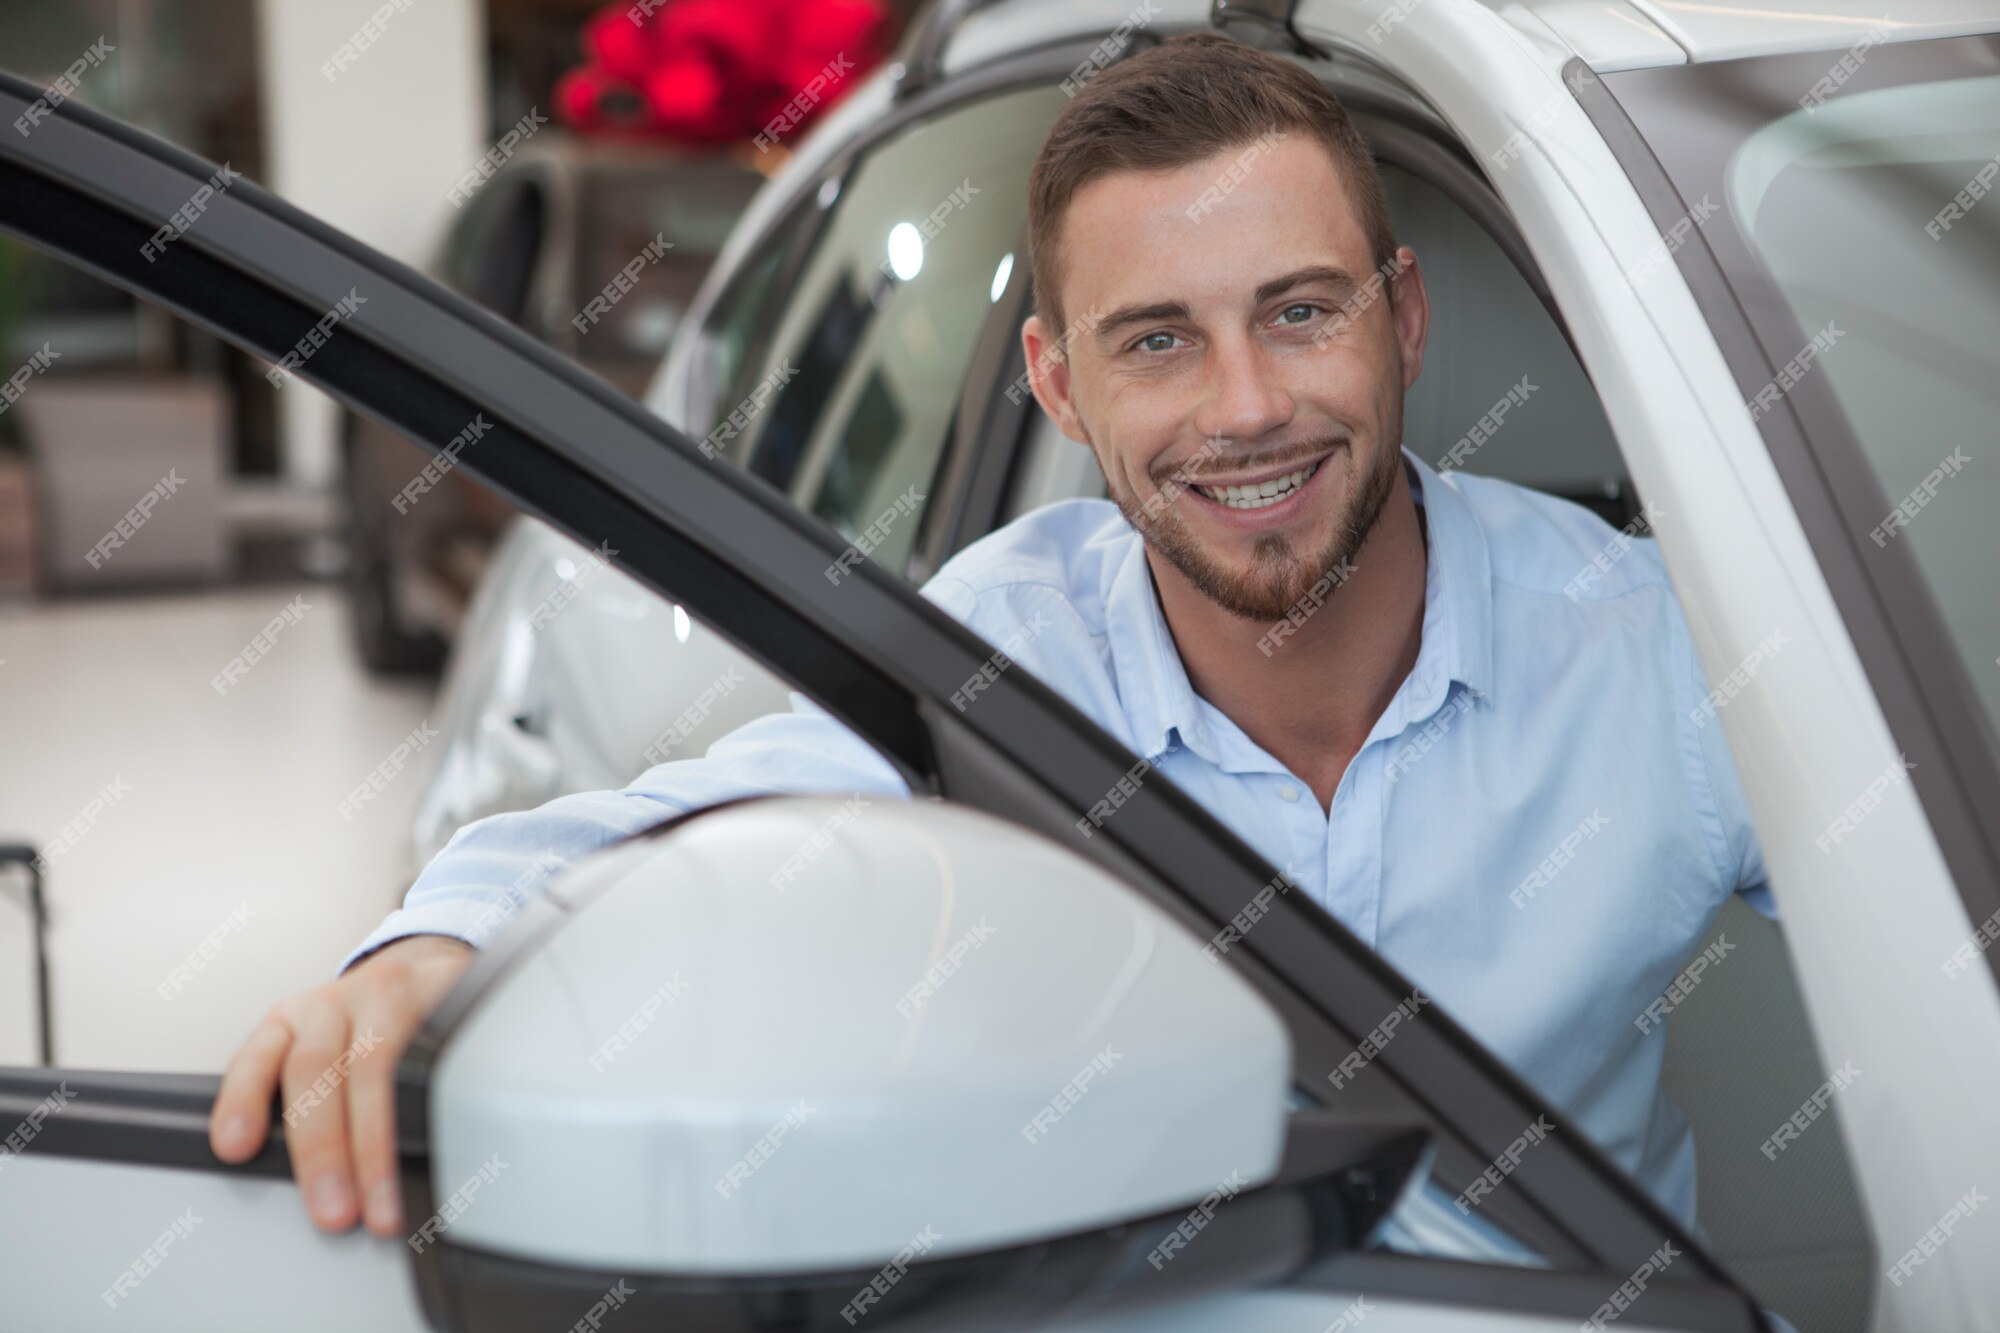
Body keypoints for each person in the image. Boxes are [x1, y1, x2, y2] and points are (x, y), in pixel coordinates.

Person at [209, 32, 1765, 1248]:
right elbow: (651, 835)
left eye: (1301, 313)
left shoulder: (1656, 652)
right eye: (1158, 340)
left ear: (1403, 319)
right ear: (1059, 385)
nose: (1244, 406)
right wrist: (425, 949)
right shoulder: (1002, 658)